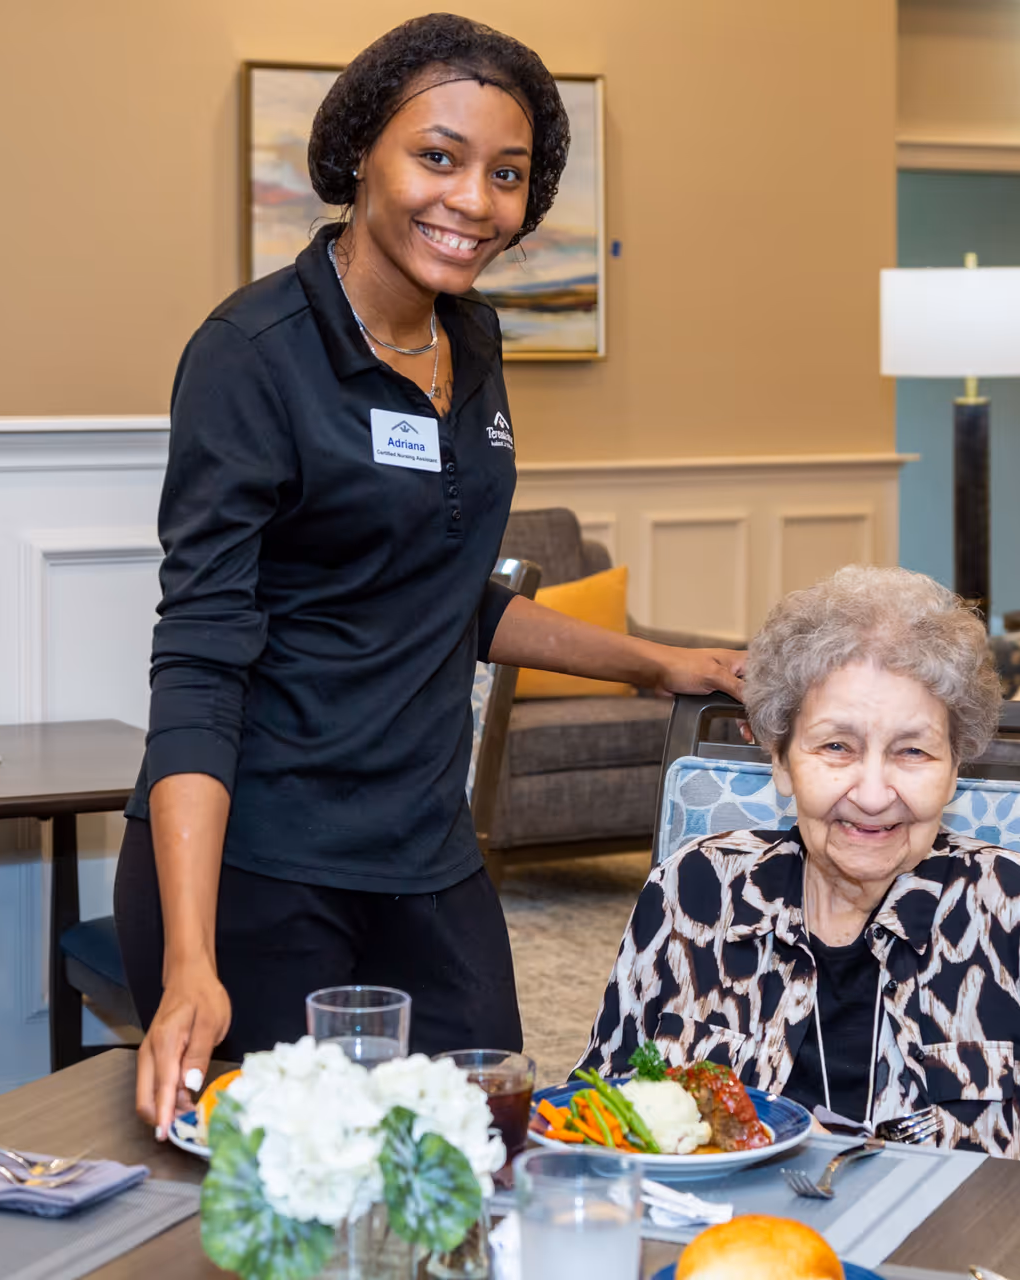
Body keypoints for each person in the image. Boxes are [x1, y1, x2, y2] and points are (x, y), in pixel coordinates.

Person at [123, 14, 744, 1137]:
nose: (474, 201)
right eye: (439, 156)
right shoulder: (250, 356)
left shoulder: (476, 341)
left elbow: (444, 595)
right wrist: (189, 958)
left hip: (427, 847)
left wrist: (664, 661)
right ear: (364, 150)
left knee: (490, 1146)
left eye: (506, 174)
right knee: (311, 1197)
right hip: (268, 861)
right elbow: (202, 662)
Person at [578, 565, 1020, 1183]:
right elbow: (591, 1121)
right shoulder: (695, 891)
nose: (872, 793)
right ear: (780, 760)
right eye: (836, 746)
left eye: (912, 751)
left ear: (955, 769)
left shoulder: (1017, 912)